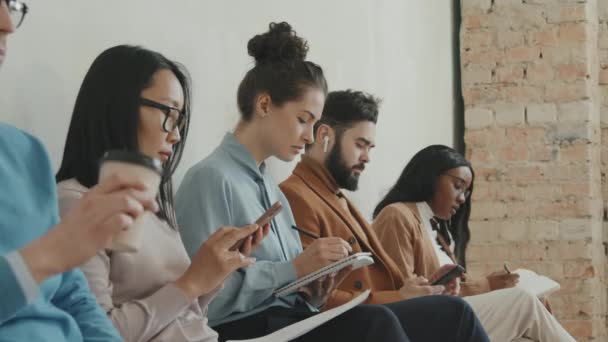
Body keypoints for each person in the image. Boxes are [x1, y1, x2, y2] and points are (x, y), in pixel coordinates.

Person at [176, 22, 489, 342]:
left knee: (453, 313)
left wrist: (314, 289)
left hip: (290, 320)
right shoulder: (211, 178)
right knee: (375, 324)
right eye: (303, 120)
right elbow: (204, 298)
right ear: (265, 105)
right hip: (247, 331)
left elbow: (287, 288)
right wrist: (295, 270)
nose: (310, 137)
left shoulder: (272, 191)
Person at [55, 45, 270, 342]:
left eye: (180, 119)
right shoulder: (74, 202)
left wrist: (212, 277)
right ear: (118, 106)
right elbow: (97, 334)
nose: (176, 134)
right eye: (169, 113)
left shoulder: (156, 204)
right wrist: (191, 283)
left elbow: (183, 319)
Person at [0, 2, 157, 341]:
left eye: (7, 4)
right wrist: (49, 253)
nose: (7, 24)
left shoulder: (26, 152)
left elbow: (72, 295)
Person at [281, 89, 490, 341]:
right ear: (325, 135)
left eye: (370, 148)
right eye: (360, 145)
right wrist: (399, 298)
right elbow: (308, 293)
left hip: (379, 315)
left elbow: (382, 280)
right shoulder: (296, 196)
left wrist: (421, 289)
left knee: (455, 312)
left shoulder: (340, 199)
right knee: (457, 313)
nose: (367, 157)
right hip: (353, 324)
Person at [373, 145, 576, 341]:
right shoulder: (397, 215)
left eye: (466, 192)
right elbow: (404, 294)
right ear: (430, 177)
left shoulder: (438, 233)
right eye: (458, 186)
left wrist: (492, 286)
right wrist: (486, 286)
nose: (462, 199)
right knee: (523, 302)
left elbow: (454, 292)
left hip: (450, 316)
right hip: (422, 325)